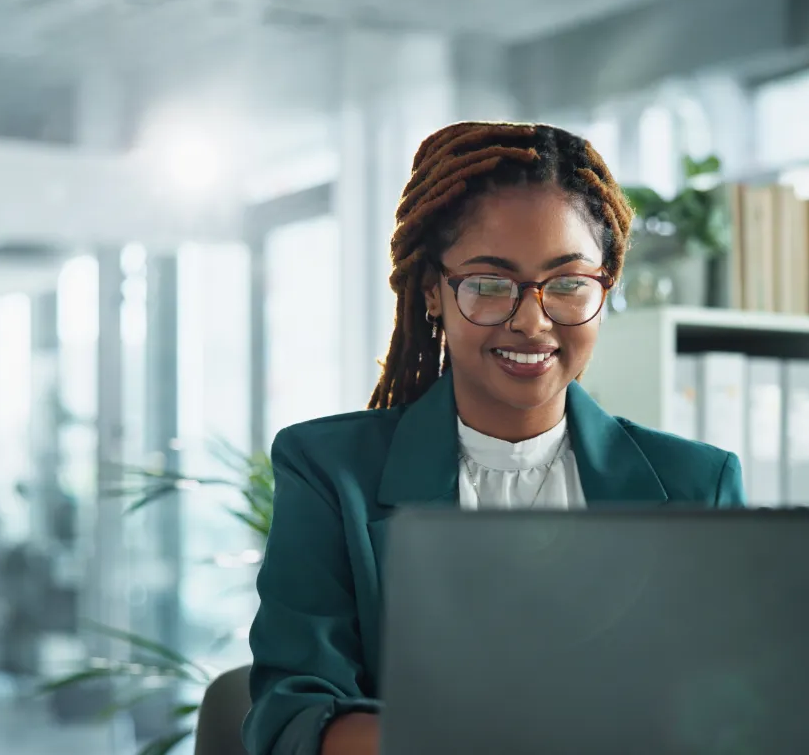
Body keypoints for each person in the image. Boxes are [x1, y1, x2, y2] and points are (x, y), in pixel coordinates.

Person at [242, 122, 745, 755]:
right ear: (433, 291)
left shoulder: (697, 486)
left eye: (567, 284)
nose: (532, 321)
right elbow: (293, 720)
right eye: (489, 284)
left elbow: (732, 717)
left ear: (604, 288)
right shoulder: (328, 472)